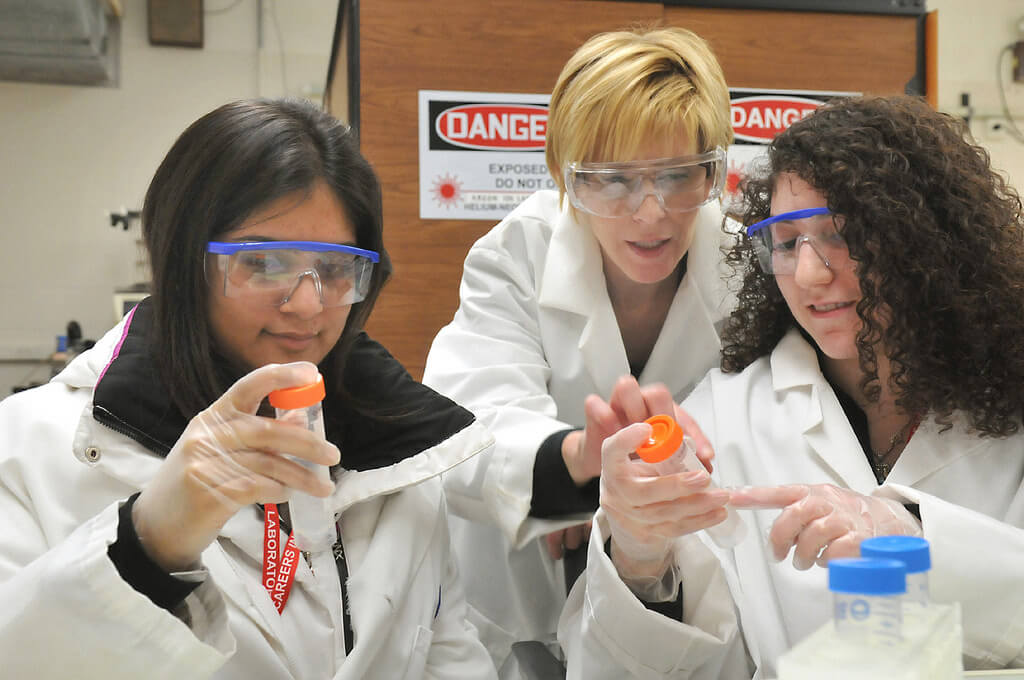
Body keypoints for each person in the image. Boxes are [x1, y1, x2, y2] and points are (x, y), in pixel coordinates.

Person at [0, 98, 498, 679]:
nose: (309, 304)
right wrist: (147, 545)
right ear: (184, 262)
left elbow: (451, 658)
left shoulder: (400, 454)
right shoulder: (32, 449)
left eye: (336, 269)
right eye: (263, 263)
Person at [571, 94, 1024, 678]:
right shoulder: (724, 416)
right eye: (786, 242)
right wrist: (639, 557)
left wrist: (913, 534)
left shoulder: (1012, 403)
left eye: (842, 233)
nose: (810, 274)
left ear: (927, 240)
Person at [421, 25, 736, 670]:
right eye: (613, 180)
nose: (651, 213)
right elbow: (465, 430)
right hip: (519, 608)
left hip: (683, 595)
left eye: (679, 175)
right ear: (566, 179)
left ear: (712, 172)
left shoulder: (742, 264)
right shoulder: (517, 254)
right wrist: (574, 469)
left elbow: (762, 428)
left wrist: (631, 508)